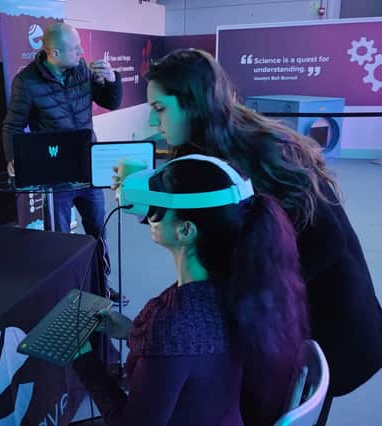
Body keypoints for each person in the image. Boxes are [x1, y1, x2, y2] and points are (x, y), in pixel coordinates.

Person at [122, 48, 382, 424]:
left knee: (281, 405)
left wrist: (242, 300)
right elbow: (198, 222)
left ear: (193, 105)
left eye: (160, 109)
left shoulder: (257, 154)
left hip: (329, 322)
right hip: (289, 320)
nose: (151, 120)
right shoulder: (215, 147)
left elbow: (327, 241)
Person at [73, 155, 309, 425]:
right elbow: (197, 357)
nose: (149, 216)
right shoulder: (245, 288)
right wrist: (132, 332)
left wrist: (83, 358)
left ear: (186, 230)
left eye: (156, 209)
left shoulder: (173, 323)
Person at [1, 23, 126, 304]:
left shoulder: (82, 69)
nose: (82, 52)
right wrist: (13, 159)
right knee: (58, 241)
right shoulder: (27, 81)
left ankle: (102, 288)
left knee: (98, 232)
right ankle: (64, 296)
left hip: (88, 169)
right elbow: (13, 126)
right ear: (54, 52)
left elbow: (111, 102)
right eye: (75, 48)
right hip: (55, 176)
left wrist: (112, 79)